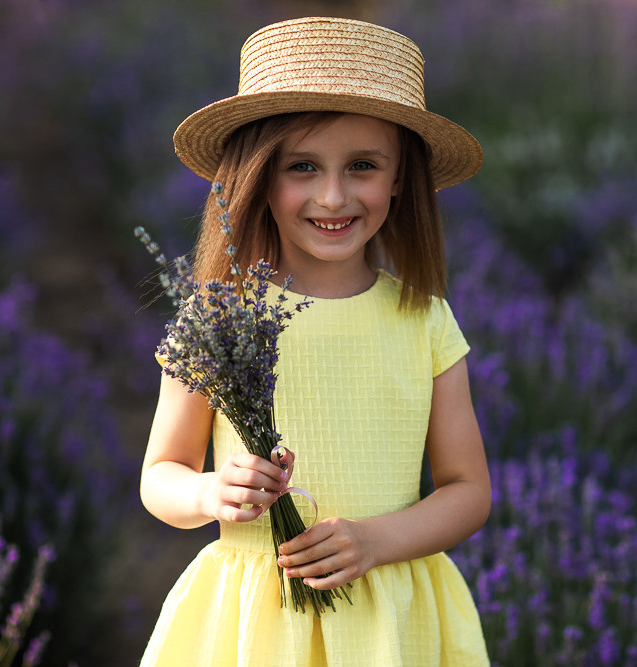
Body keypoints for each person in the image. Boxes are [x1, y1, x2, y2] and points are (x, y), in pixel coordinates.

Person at [140, 16, 491, 666]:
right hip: (256, 625)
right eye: (302, 166)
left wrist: (376, 540)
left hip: (388, 622)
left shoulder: (425, 320)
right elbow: (160, 474)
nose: (333, 195)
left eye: (362, 166)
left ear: (398, 179)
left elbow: (468, 489)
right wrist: (208, 491)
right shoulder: (220, 317)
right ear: (258, 176)